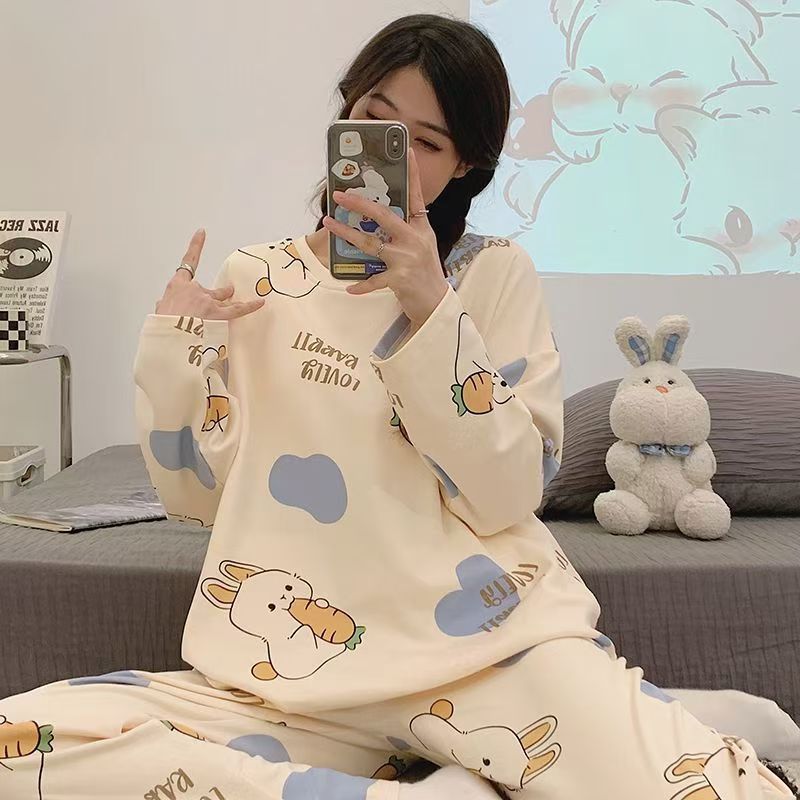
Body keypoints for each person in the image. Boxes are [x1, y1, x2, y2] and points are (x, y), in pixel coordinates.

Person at [0, 13, 791, 800]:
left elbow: (509, 490)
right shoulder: (255, 278)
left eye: (428, 143)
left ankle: (578, 735)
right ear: (345, 114)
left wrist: (431, 308)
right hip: (291, 681)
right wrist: (175, 346)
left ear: (466, 163)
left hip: (490, 660)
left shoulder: (492, 275)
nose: (397, 159)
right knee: (18, 748)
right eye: (377, 123)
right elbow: (194, 498)